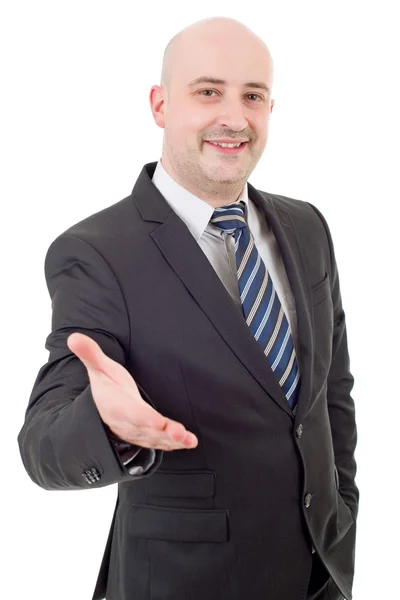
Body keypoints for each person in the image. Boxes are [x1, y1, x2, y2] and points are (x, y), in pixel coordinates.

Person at [17, 15, 359, 600]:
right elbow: (42, 442)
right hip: (185, 582)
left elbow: (331, 394)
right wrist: (106, 424)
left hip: (319, 572)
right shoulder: (96, 252)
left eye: (253, 95)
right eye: (208, 92)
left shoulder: (307, 227)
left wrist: (343, 506)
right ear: (160, 104)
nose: (234, 116)